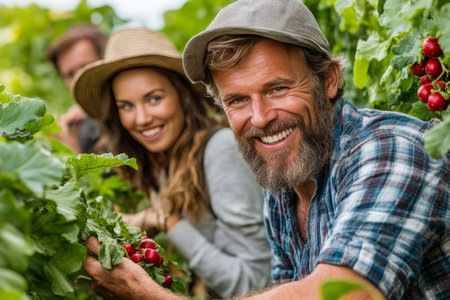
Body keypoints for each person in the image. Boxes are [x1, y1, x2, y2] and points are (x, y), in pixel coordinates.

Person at [82, 1, 450, 300]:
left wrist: (150, 295)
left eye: (277, 89)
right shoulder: (284, 184)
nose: (260, 118)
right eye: (238, 100)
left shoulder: (392, 150)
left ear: (330, 80)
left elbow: (342, 294)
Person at [73, 27, 272, 298]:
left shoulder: (220, 150)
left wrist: (169, 223)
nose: (141, 118)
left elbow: (254, 283)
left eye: (154, 98)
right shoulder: (164, 160)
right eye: (127, 106)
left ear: (182, 95)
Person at [47, 23, 107, 154]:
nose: (78, 79)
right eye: (70, 74)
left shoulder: (135, 114)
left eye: (85, 67)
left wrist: (71, 152)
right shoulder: (77, 125)